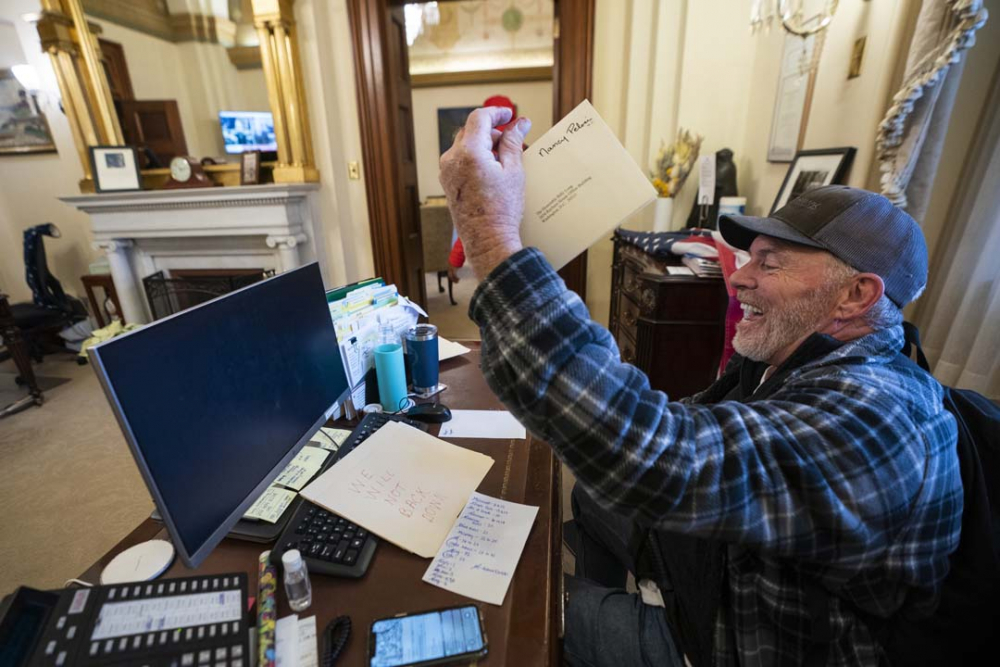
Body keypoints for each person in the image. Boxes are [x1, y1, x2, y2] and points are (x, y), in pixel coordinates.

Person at [438, 107, 962, 667]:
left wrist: (492, 235)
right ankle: (633, 600)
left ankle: (626, 624)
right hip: (729, 568)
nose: (739, 277)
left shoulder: (880, 416)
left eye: (772, 263)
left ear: (856, 295)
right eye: (749, 258)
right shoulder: (796, 355)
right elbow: (666, 421)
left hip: (740, 639)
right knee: (591, 493)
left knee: (525, 608)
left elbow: (655, 454)